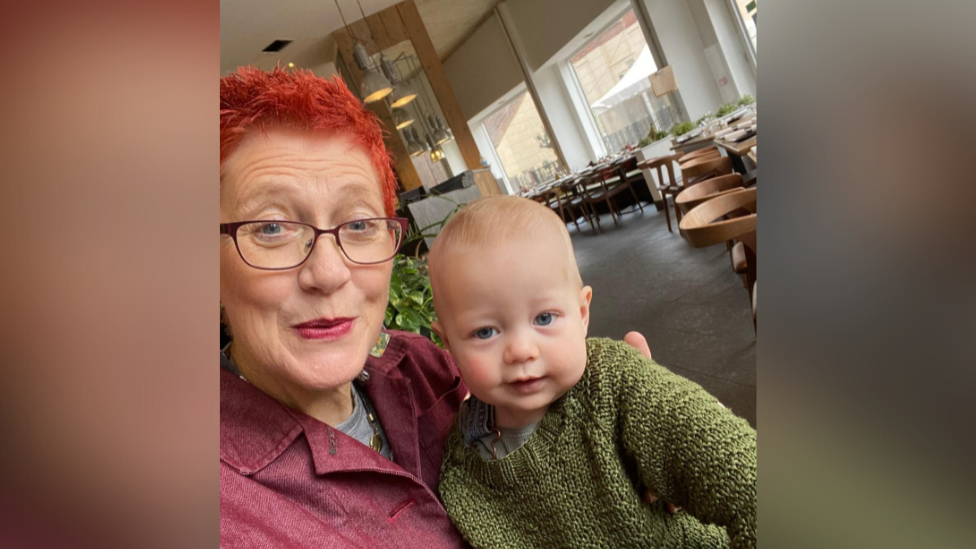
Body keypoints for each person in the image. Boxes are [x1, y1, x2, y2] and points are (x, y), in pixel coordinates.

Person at [218, 67, 659, 548]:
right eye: (271, 228)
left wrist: (624, 443)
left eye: (361, 223)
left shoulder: (423, 365)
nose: (328, 273)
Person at [428, 195, 758, 549]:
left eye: (544, 318)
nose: (522, 351)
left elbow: (751, 483)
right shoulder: (460, 466)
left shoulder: (615, 387)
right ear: (447, 343)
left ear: (582, 313)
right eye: (485, 332)